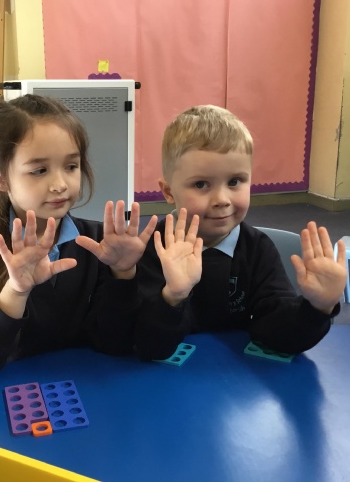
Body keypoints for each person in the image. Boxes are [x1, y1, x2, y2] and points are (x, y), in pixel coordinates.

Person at [0, 94, 157, 381]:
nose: (60, 184)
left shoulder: (97, 244)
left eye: (71, 166)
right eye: (39, 170)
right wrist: (16, 291)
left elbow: (114, 343)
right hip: (12, 397)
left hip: (86, 388)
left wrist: (123, 273)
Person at [136, 104, 348, 360]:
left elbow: (279, 334)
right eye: (201, 184)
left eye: (235, 181)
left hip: (242, 377)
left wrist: (318, 307)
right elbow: (146, 345)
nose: (222, 199)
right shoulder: (155, 248)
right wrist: (173, 297)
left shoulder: (258, 249)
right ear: (169, 192)